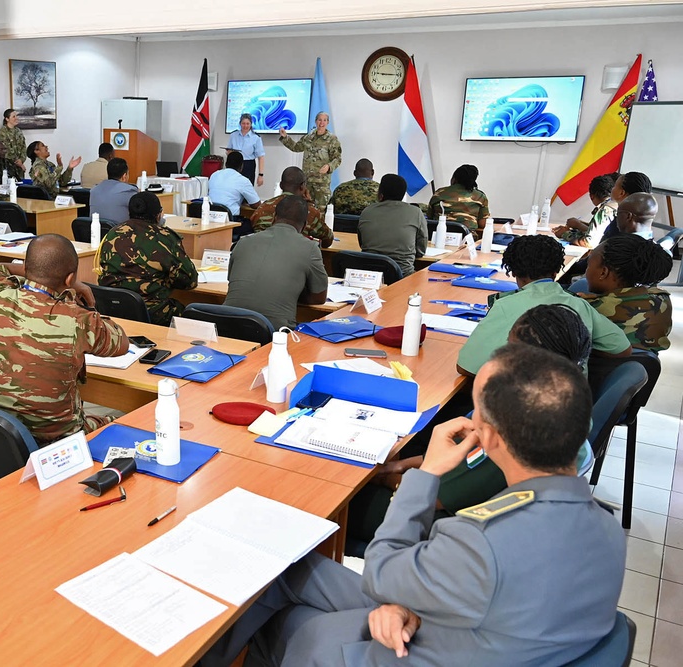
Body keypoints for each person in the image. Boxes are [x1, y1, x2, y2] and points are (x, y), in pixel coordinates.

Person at [200, 343, 626, 667]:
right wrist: (410, 603)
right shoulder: (607, 529)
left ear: (490, 437)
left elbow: (383, 571)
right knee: (283, 568)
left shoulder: (480, 540)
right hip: (462, 627)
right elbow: (486, 597)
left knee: (289, 623)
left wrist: (428, 472)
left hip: (416, 651)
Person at [347, 304, 595, 551]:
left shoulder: (513, 431)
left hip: (441, 525)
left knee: (347, 501)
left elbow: (436, 497)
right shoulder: (567, 405)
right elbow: (456, 450)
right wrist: (401, 465)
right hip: (452, 497)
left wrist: (389, 478)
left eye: (508, 350)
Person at [0, 234, 128, 444]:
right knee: (123, 418)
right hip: (59, 439)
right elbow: (121, 343)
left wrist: (34, 270)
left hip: (1, 433)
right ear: (69, 279)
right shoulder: (77, 319)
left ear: (26, 266)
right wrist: (85, 304)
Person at [457, 235, 630, 375]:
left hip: (523, 411)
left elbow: (466, 367)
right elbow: (622, 348)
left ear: (513, 271)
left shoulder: (506, 305)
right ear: (557, 271)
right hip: (574, 407)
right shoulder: (579, 304)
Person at [225, 195, 328, 330]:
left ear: (274, 218)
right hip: (274, 332)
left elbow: (232, 280)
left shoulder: (243, 242)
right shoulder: (310, 248)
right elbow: (319, 297)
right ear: (304, 226)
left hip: (227, 323)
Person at [97, 191, 197, 325]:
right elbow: (189, 281)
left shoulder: (112, 233)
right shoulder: (164, 237)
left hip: (113, 309)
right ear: (158, 215)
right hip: (152, 312)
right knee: (191, 315)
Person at [578, 234, 673, 351]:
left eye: (588, 265)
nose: (586, 270)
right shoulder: (662, 299)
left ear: (603, 272)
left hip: (600, 366)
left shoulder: (591, 310)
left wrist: (591, 301)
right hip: (636, 366)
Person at [356, 174, 428, 277]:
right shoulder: (415, 212)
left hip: (369, 275)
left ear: (380, 193)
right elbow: (421, 250)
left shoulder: (367, 211)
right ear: (403, 195)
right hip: (402, 277)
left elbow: (362, 243)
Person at [251, 166, 333, 248]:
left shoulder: (263, 207)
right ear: (302, 187)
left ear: (281, 185)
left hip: (261, 255)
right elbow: (328, 240)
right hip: (295, 258)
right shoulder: (309, 211)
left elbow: (253, 228)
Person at [279, 111, 342, 209]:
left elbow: (337, 158)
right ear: (316, 121)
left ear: (327, 122)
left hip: (322, 183)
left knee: (320, 211)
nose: (322, 123)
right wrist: (285, 137)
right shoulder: (309, 137)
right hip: (307, 182)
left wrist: (329, 166)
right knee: (305, 209)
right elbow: (296, 147)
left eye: (324, 120)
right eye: (320, 120)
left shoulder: (332, 139)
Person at [553, 174, 616, 247]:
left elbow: (589, 242)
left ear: (591, 196)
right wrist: (578, 225)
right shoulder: (615, 204)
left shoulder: (605, 210)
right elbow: (599, 231)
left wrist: (564, 234)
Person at [428, 164, 490, 231]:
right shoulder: (479, 196)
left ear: (454, 179)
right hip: (467, 237)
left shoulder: (439, 193)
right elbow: (483, 223)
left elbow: (429, 216)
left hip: (439, 234)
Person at [207, 151, 260, 218]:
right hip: (230, 221)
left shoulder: (214, 175)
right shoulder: (243, 180)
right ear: (241, 166)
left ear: (226, 164)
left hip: (209, 217)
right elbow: (256, 205)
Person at [89, 157, 137, 224]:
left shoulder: (94, 190)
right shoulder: (128, 191)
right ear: (124, 176)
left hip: (97, 232)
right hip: (119, 233)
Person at [227, 113, 265, 186]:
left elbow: (261, 157)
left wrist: (260, 175)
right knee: (233, 187)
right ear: (240, 123)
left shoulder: (256, 137)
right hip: (235, 164)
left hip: (249, 165)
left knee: (247, 188)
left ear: (251, 124)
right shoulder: (233, 135)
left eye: (248, 123)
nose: (245, 126)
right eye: (243, 123)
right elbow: (229, 151)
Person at [0, 108, 27, 180]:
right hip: (8, 166)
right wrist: (18, 163)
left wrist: (21, 160)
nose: (16, 118)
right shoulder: (2, 132)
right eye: (14, 116)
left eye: (16, 116)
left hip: (19, 167)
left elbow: (23, 147)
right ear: (7, 119)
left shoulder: (18, 131)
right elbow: (7, 150)